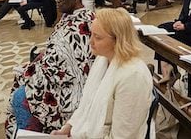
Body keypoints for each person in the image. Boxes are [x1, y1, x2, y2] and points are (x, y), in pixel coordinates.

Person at [5, 0, 95, 137]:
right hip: (54, 71)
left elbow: (72, 61)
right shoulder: (70, 16)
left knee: (21, 97)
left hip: (71, 84)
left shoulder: (83, 21)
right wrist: (43, 56)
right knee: (20, 87)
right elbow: (58, 47)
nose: (57, 1)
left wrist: (35, 68)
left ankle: (30, 133)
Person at [51, 8, 154, 138]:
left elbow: (124, 136)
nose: (90, 42)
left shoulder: (133, 77)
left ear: (118, 40)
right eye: (91, 34)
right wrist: (66, 129)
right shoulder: (103, 59)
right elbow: (86, 106)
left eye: (98, 37)